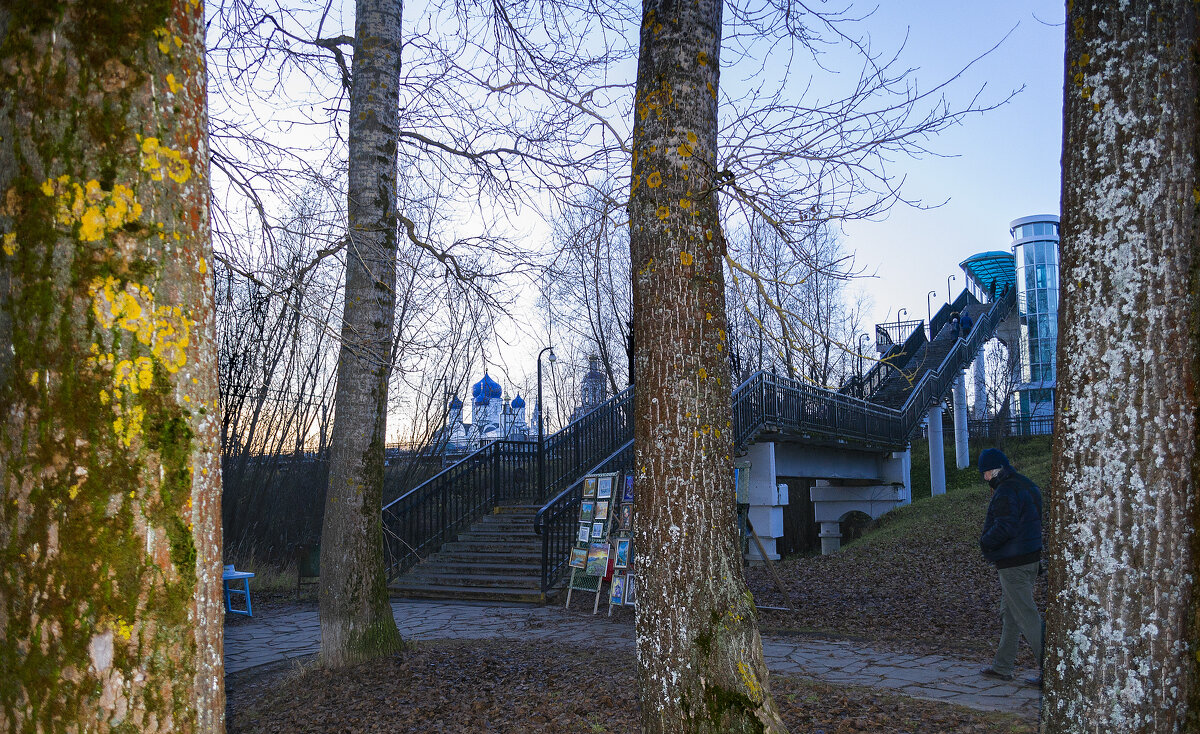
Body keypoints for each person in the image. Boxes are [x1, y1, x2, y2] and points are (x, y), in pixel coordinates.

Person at [977, 448, 1043, 688]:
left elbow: (1005, 526)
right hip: (1031, 559)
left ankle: (1053, 669)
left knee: (1026, 616)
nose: (985, 478)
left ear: (994, 469)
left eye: (985, 473)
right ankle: (1002, 666)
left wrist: (985, 542)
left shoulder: (1006, 490)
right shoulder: (1027, 485)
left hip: (1013, 563)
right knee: (1011, 613)